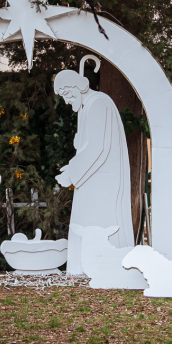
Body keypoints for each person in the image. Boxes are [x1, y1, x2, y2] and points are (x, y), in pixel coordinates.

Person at [53, 56, 134, 274]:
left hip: (101, 180)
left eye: (69, 95)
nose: (68, 101)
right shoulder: (88, 107)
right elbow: (89, 145)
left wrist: (72, 171)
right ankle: (86, 267)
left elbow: (98, 148)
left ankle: (102, 267)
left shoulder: (98, 103)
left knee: (98, 223)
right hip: (92, 178)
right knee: (86, 221)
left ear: (79, 88)